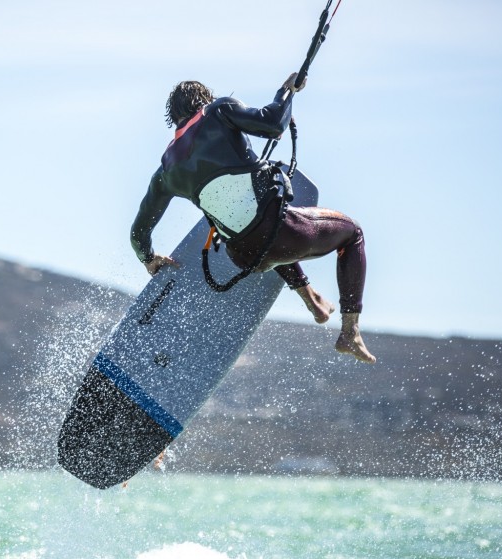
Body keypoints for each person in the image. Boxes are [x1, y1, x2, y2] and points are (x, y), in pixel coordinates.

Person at [129, 75, 376, 363]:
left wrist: (148, 258)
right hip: (284, 234)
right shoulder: (218, 111)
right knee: (352, 233)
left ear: (175, 119)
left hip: (247, 258)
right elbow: (272, 124)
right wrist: (286, 92)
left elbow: (138, 232)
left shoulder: (166, 171)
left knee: (259, 231)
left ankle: (312, 300)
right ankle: (350, 331)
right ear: (204, 101)